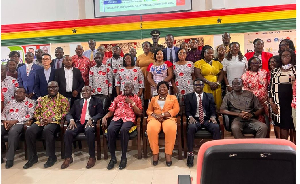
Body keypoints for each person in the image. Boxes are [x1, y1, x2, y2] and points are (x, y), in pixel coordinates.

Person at [23, 81, 69, 169]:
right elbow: (36, 112)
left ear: (58, 88)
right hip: (41, 121)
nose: (52, 89)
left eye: (54, 87)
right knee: (29, 131)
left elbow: (65, 113)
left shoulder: (63, 99)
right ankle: (33, 157)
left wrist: (52, 119)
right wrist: (40, 119)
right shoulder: (43, 99)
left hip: (55, 122)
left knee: (47, 130)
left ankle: (51, 157)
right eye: (50, 87)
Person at [61, 86, 104, 169]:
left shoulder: (97, 101)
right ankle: (68, 157)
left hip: (89, 122)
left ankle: (92, 157)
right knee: (68, 132)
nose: (84, 92)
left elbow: (100, 113)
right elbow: (69, 113)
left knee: (89, 130)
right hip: (78, 122)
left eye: (87, 91)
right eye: (83, 91)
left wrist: (93, 119)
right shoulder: (77, 102)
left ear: (91, 92)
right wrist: (71, 120)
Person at [102, 82, 142, 170]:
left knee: (124, 130)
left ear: (132, 89)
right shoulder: (118, 98)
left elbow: (139, 112)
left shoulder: (136, 98)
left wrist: (132, 103)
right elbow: (111, 110)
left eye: (128, 87)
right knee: (110, 129)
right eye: (124, 88)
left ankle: (124, 157)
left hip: (129, 118)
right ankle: (113, 158)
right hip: (117, 118)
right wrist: (105, 116)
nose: (125, 89)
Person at [185, 79, 220, 167]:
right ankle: (190, 153)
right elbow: (187, 111)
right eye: (196, 85)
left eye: (200, 85)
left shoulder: (209, 96)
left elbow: (213, 110)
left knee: (216, 127)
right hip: (195, 119)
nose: (198, 86)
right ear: (193, 86)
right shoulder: (188, 97)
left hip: (207, 119)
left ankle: (216, 152)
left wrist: (213, 117)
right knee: (191, 128)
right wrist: (190, 117)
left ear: (203, 86)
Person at [147, 81, 180, 167]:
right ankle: (155, 153)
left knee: (170, 129)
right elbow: (149, 110)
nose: (162, 89)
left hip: (168, 118)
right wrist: (154, 115)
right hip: (155, 118)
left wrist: (163, 114)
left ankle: (168, 154)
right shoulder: (154, 99)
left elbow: (176, 110)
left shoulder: (173, 98)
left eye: (164, 87)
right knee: (151, 128)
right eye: (160, 87)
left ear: (168, 89)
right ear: (157, 90)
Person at [1, 87, 35, 169]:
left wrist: (15, 121)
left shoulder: (30, 102)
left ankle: (9, 159)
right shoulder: (10, 102)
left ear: (25, 93)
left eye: (21, 92)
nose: (18, 94)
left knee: (12, 132)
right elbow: (3, 113)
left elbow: (30, 115)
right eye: (16, 92)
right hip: (7, 122)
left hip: (19, 123)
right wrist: (4, 121)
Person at [269, 49, 296, 140]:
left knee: (295, 125)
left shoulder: (296, 69)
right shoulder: (275, 71)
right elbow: (271, 88)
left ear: (292, 57)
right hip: (279, 103)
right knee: (283, 124)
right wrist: (271, 103)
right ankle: (285, 147)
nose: (285, 58)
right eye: (283, 56)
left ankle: (295, 148)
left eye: (288, 55)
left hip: (293, 103)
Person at [194, 45, 223, 110]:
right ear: (204, 53)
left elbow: (221, 74)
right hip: (205, 85)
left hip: (216, 86)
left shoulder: (217, 63)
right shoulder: (198, 63)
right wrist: (209, 83)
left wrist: (218, 83)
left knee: (217, 104)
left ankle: (217, 118)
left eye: (212, 53)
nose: (211, 55)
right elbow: (198, 75)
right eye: (208, 53)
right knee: (206, 103)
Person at [241, 57, 269, 123]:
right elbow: (245, 90)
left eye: (257, 63)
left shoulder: (265, 73)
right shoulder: (245, 75)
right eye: (252, 63)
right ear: (250, 64)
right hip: (253, 103)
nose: (255, 65)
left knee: (266, 121)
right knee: (255, 121)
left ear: (260, 64)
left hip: (265, 102)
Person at [136, 41, 155, 108]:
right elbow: (137, 67)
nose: (145, 47)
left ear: (150, 47)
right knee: (143, 94)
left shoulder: (153, 55)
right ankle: (145, 112)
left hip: (151, 77)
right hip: (142, 77)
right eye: (144, 46)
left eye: (147, 46)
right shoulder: (139, 56)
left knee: (151, 94)